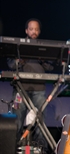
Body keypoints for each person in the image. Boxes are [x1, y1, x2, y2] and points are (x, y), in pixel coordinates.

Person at [7, 18, 53, 152]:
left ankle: (41, 148)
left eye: (36, 29)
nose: (34, 32)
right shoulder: (18, 46)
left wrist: (42, 59)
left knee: (39, 120)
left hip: (39, 89)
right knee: (17, 118)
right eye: (31, 29)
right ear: (26, 30)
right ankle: (13, 146)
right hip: (20, 90)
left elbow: (50, 67)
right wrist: (22, 59)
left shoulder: (43, 48)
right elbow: (10, 64)